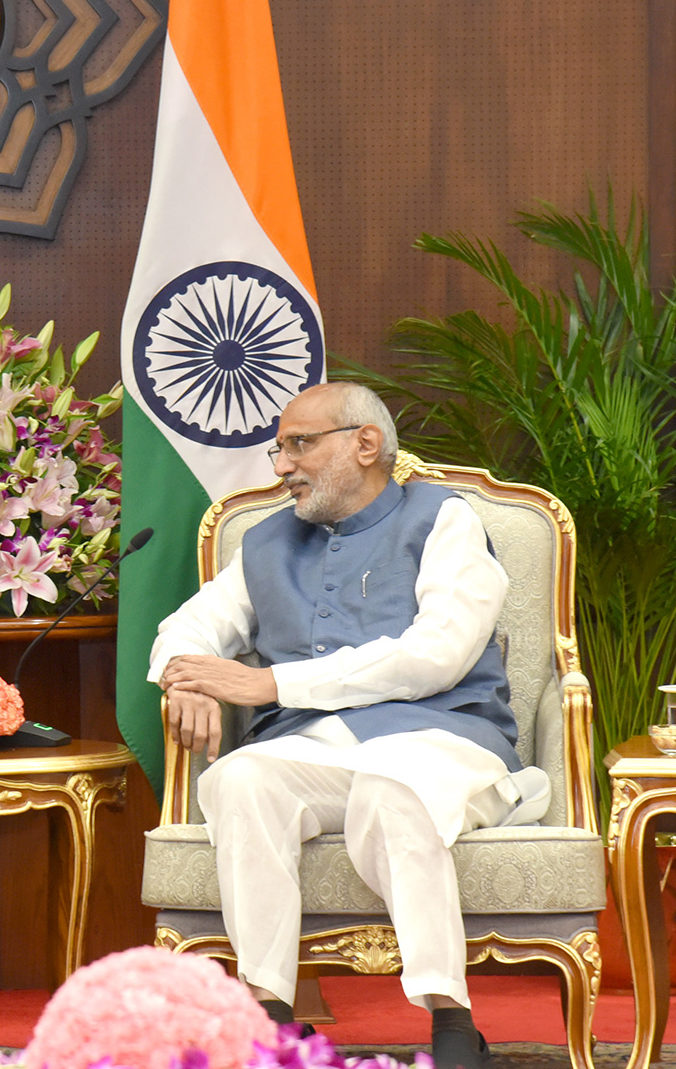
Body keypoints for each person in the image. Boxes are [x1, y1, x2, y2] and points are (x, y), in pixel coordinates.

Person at [150, 382, 549, 1069]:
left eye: (300, 444)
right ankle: (270, 1018)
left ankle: (451, 1021)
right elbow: (185, 627)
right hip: (311, 749)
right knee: (241, 777)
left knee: (391, 789)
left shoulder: (443, 520)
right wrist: (185, 675)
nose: (281, 466)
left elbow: (437, 655)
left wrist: (268, 683)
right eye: (280, 449)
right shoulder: (266, 542)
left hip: (442, 737)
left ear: (366, 444)